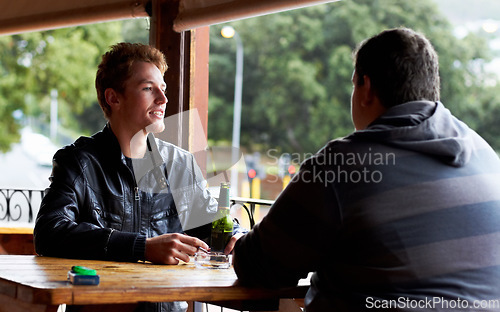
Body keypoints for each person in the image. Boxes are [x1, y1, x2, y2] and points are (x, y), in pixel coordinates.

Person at [233, 27, 500, 311]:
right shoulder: (484, 153)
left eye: (353, 84)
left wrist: (237, 241)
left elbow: (259, 266)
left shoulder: (342, 163)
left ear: (366, 88)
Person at [34, 42, 244, 312]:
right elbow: (49, 233)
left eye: (163, 89)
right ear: (114, 98)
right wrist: (141, 247)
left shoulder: (180, 163)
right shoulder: (79, 162)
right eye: (148, 88)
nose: (163, 99)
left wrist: (238, 236)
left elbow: (212, 224)